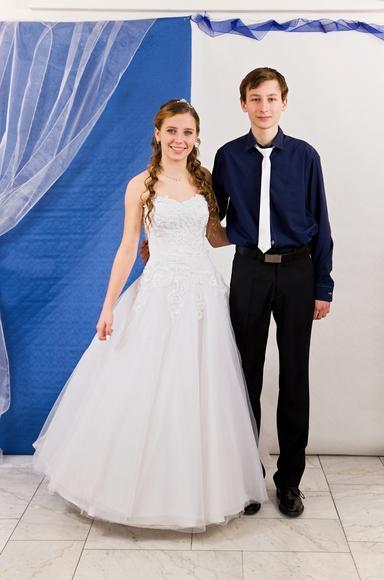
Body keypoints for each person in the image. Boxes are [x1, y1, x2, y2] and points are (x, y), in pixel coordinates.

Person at [32, 98, 267, 531]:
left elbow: (215, 236)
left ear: (196, 138)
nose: (180, 139)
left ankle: (200, 490)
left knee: (203, 391)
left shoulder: (205, 180)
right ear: (157, 134)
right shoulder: (140, 185)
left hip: (202, 296)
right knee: (147, 387)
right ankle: (134, 491)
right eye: (172, 131)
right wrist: (107, 306)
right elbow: (128, 246)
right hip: (159, 293)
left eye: (188, 132)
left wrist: (260, 222)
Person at [212, 67, 334, 518]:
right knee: (245, 375)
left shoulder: (305, 156)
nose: (263, 107)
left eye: (271, 98)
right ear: (243, 104)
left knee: (294, 376)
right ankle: (248, 478)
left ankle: (289, 482)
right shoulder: (228, 156)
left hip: (298, 271)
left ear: (284, 102)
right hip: (249, 270)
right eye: (255, 99)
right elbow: (211, 219)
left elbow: (322, 223)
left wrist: (323, 285)